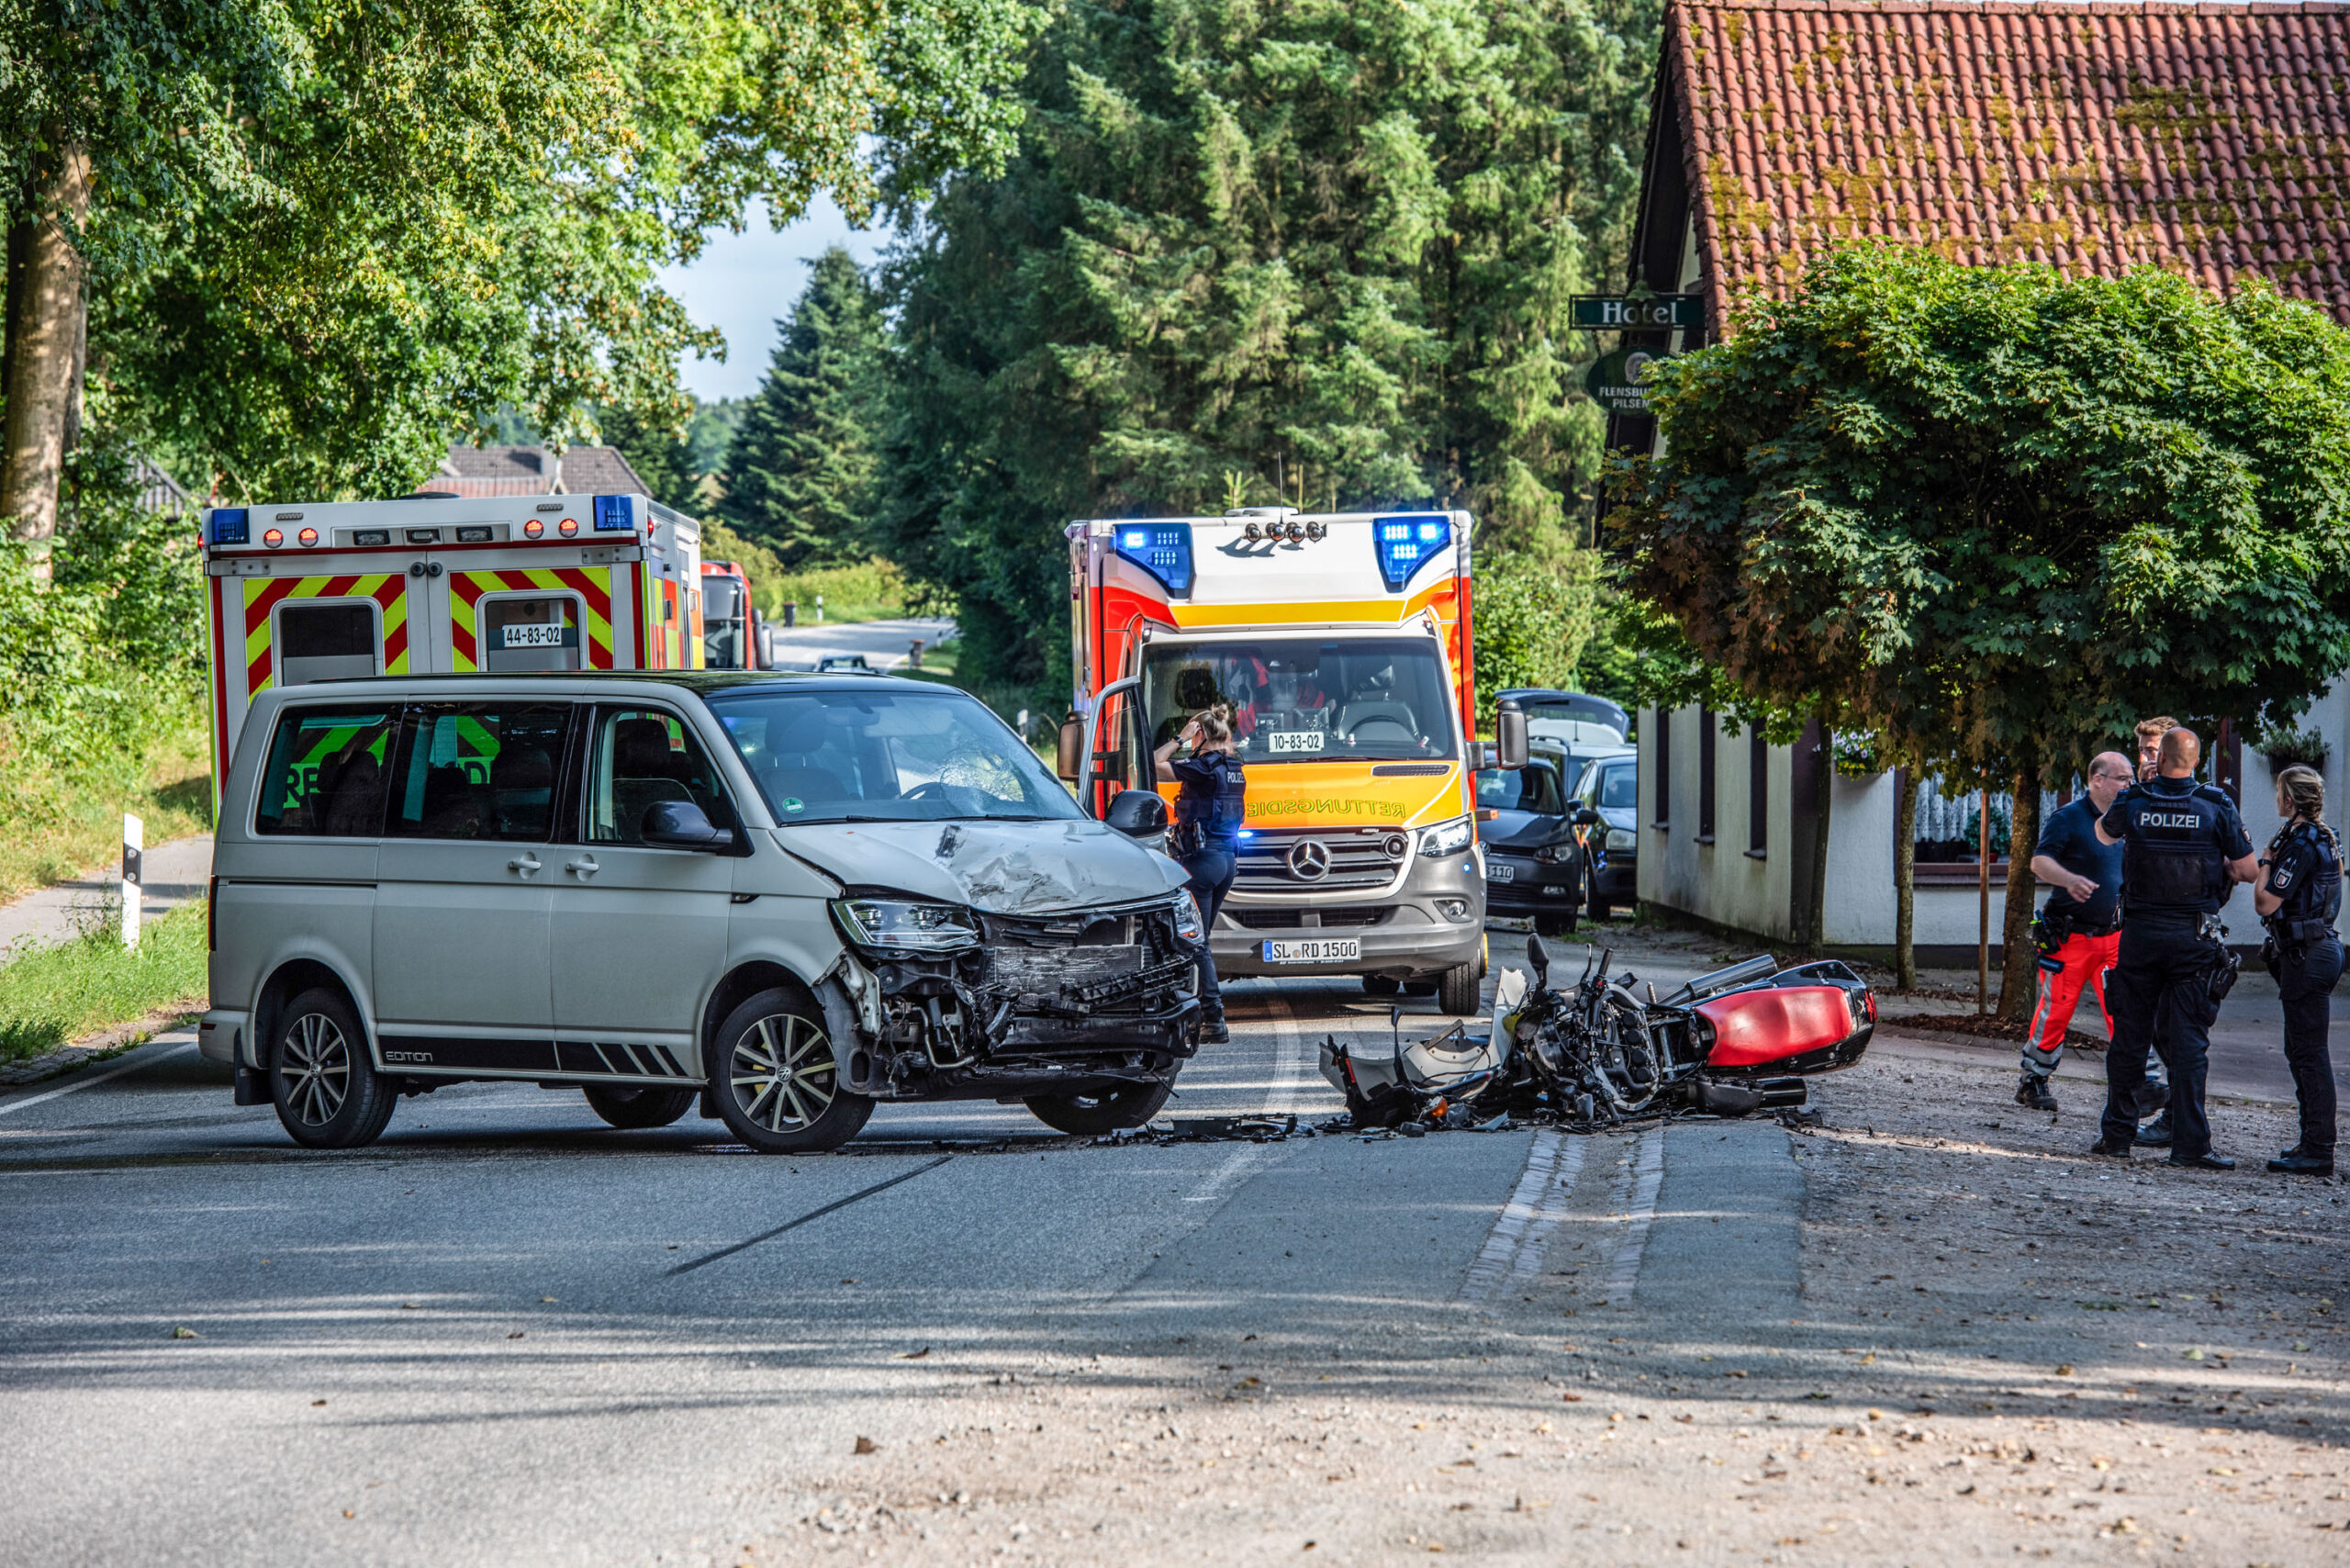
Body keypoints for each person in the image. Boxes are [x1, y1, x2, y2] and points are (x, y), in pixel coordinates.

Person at [2091, 726, 2260, 1168]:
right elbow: (2247, 870)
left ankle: (2117, 1138)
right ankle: (2189, 1146)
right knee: (2189, 1045)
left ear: (2159, 758)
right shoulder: (2215, 804)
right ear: (2196, 762)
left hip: (2141, 936)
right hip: (2193, 938)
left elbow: (2104, 834)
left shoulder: (2135, 800)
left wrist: (2141, 788)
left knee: (2129, 1038)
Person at [2018, 751, 2135, 1110]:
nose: (2130, 785)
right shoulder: (2068, 818)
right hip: (2069, 938)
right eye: (2123, 779)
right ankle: (2033, 1080)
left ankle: (2132, 1086)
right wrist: (2069, 880)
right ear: (2097, 780)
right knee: (2056, 1011)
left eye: (2131, 779)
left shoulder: (2128, 820)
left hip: (2113, 937)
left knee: (2124, 1011)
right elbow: (2038, 862)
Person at [2255, 765, 2343, 1177]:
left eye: (2278, 793)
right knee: (2302, 1051)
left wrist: (2266, 864)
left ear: (2289, 800)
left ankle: (2319, 1149)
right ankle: (2312, 1142)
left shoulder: (2301, 843)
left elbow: (2266, 903)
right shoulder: (2321, 837)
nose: (2277, 799)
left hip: (2309, 955)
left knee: (2309, 1054)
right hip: (2314, 950)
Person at [1157, 704, 1246, 1045]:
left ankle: (1214, 1018)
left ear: (1200, 735)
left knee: (1197, 942)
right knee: (1199, 939)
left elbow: (1155, 762)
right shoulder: (1235, 768)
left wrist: (1180, 737)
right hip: (1227, 862)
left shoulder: (1203, 767)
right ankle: (1191, 1006)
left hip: (1203, 862)